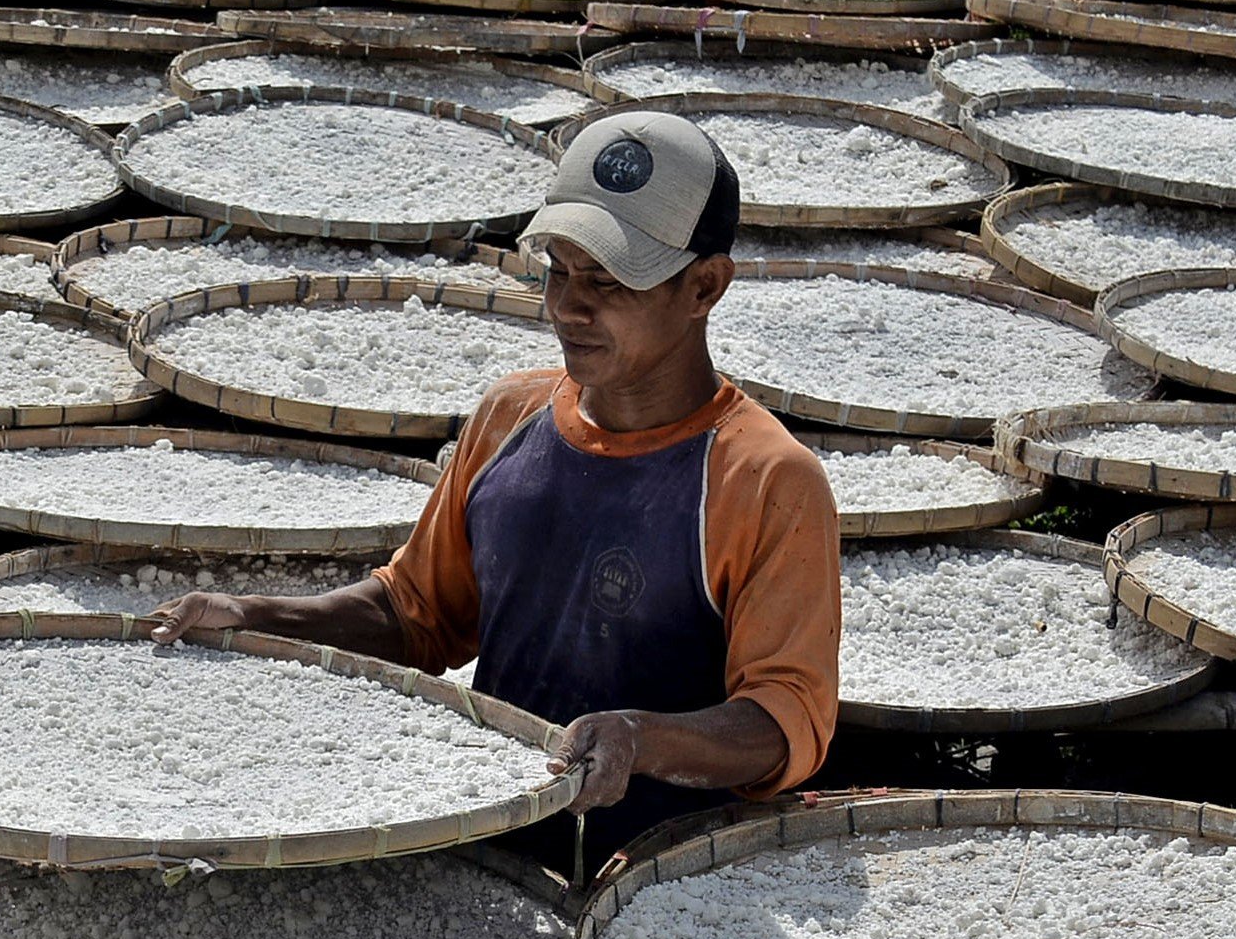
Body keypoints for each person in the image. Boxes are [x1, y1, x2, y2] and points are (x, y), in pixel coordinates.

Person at [155, 109, 841, 853]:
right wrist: (253, 614)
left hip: (655, 873)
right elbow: (415, 613)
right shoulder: (511, 414)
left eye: (609, 281)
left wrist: (639, 739)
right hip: (491, 842)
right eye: (559, 271)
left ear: (704, 286)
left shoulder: (764, 478)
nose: (569, 307)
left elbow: (784, 720)